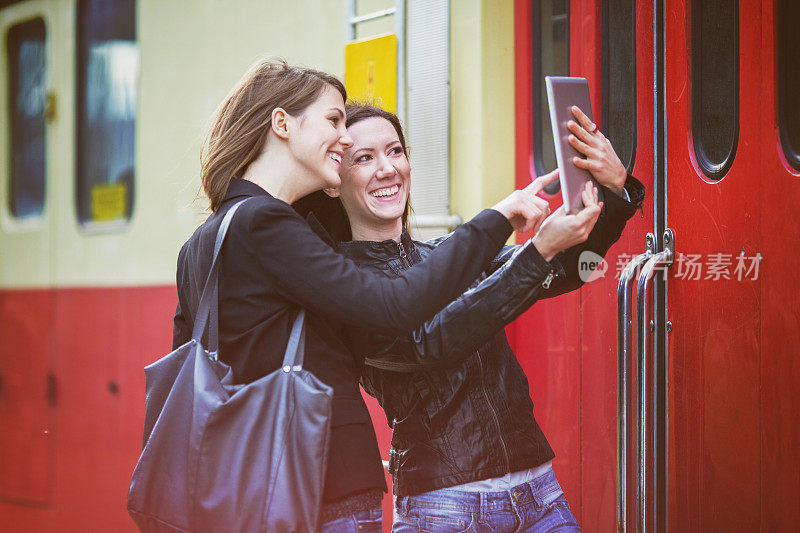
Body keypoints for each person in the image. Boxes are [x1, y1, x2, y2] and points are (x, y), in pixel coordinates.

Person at [171, 59, 552, 532]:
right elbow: (394, 309)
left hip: (245, 488)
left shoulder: (201, 244)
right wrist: (497, 221)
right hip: (320, 484)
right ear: (282, 123)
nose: (345, 137)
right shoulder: (265, 223)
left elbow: (191, 366)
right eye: (333, 120)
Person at [316, 103, 645, 531]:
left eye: (395, 151)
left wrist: (614, 192)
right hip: (444, 509)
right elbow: (431, 340)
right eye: (364, 158)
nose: (387, 168)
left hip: (540, 495)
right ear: (333, 183)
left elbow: (568, 271)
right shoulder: (341, 283)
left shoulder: (447, 254)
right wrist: (536, 252)